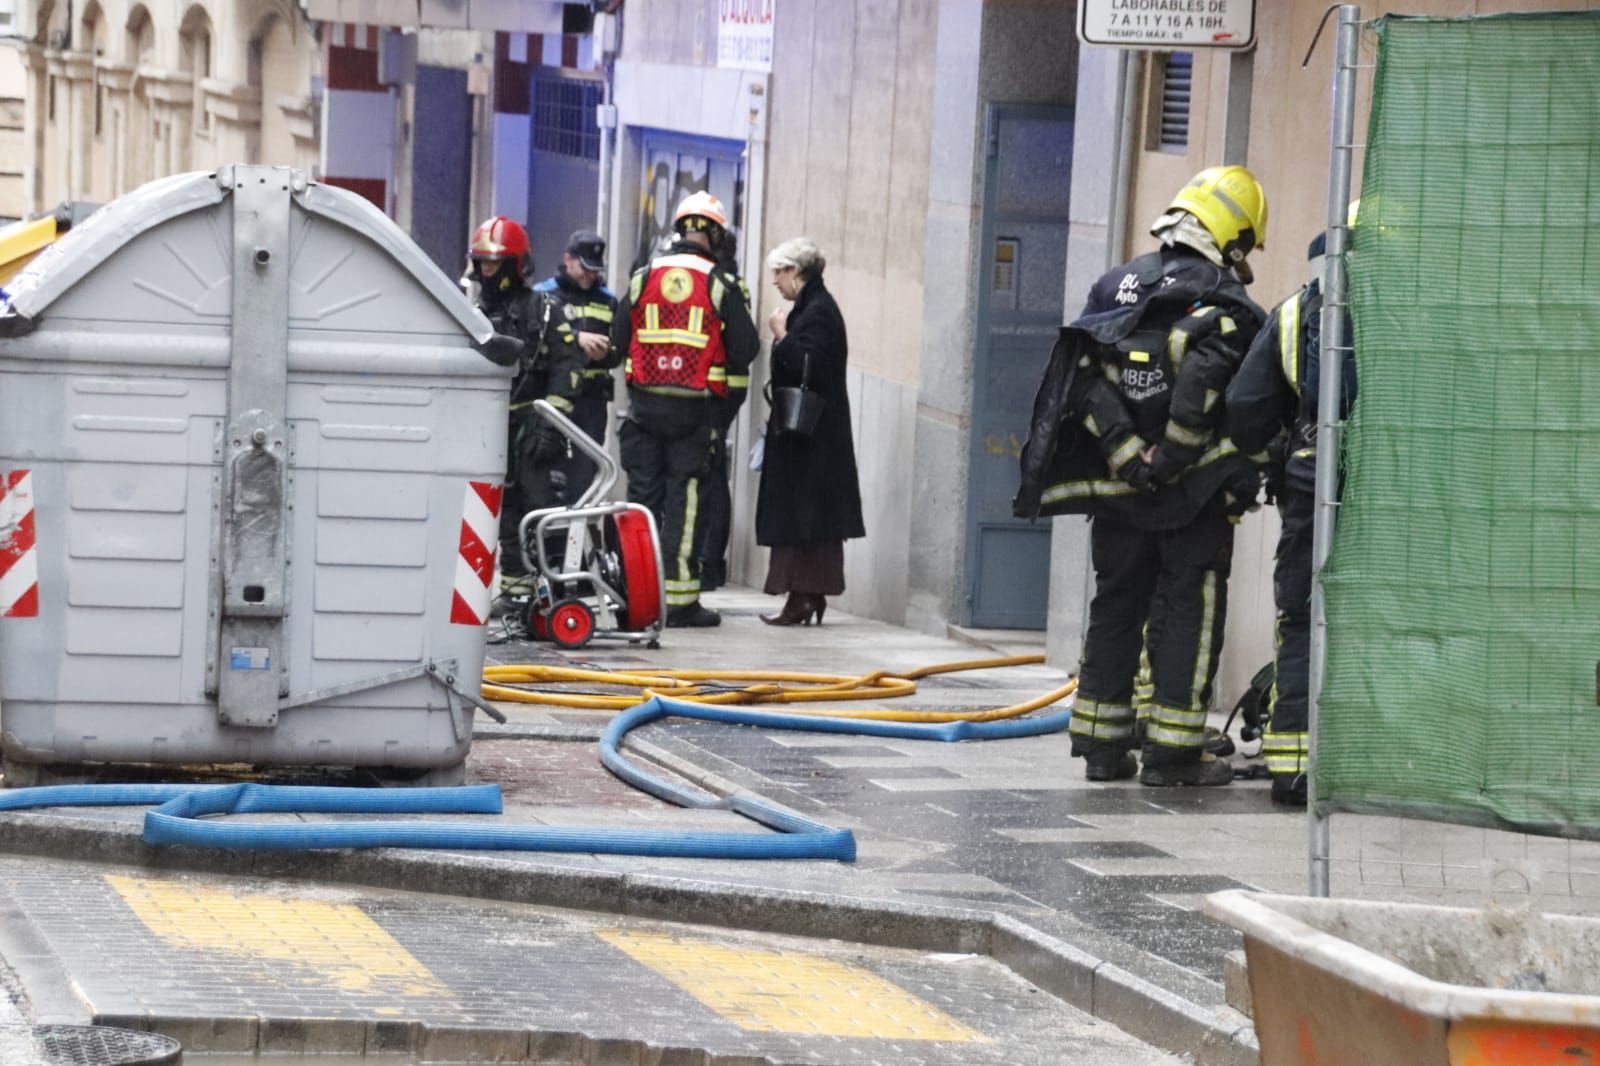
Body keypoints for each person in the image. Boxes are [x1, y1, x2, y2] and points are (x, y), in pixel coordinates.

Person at [1014, 165, 1269, 788]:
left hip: (1119, 494)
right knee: (1186, 611)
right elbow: (1204, 388)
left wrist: (1128, 455)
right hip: (1194, 498)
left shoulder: (1116, 286)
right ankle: (1172, 755)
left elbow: (1083, 380)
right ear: (1232, 235)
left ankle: (1102, 747)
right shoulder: (1225, 301)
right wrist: (1169, 462)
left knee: (1116, 604)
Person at [1226, 216, 1358, 808]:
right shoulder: (1417, 312)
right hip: (1396, 497)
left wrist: (1277, 457)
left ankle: (1295, 770)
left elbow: (1245, 407)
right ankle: (1382, 767)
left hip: (1311, 485)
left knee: (1304, 620)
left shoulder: (1297, 311)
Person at [611, 191, 759, 627]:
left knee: (641, 503)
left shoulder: (643, 277)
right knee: (686, 503)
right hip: (695, 414)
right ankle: (679, 602)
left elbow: (618, 340)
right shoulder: (719, 283)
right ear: (716, 234)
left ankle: (633, 595)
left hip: (643, 410)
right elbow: (745, 349)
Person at [465, 215, 586, 577]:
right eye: (482, 262)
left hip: (534, 425)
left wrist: (550, 424)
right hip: (488, 428)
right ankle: (515, 588)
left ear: (514, 265)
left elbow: (568, 366)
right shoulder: (471, 316)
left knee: (542, 509)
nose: (487, 270)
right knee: (498, 511)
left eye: (494, 262)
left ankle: (553, 587)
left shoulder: (544, 310)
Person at [755, 238, 865, 626]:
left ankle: (802, 596)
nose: (775, 281)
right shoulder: (814, 307)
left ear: (796, 271)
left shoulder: (817, 312)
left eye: (779, 272)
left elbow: (809, 365)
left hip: (811, 438)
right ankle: (805, 595)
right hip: (809, 437)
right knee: (806, 520)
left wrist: (782, 336)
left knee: (804, 519)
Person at [533, 230, 620, 500]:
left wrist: (604, 354)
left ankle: (579, 524)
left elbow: (619, 350)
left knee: (585, 475)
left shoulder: (608, 300)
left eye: (595, 270)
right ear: (568, 259)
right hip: (552, 398)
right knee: (545, 472)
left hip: (591, 401)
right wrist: (576, 339)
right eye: (585, 268)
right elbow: (534, 344)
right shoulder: (543, 295)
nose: (590, 275)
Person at [697, 226, 751, 591]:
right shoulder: (730, 282)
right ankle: (709, 560)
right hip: (725, 388)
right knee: (711, 473)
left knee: (711, 476)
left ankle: (710, 561)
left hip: (719, 390)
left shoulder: (721, 283)